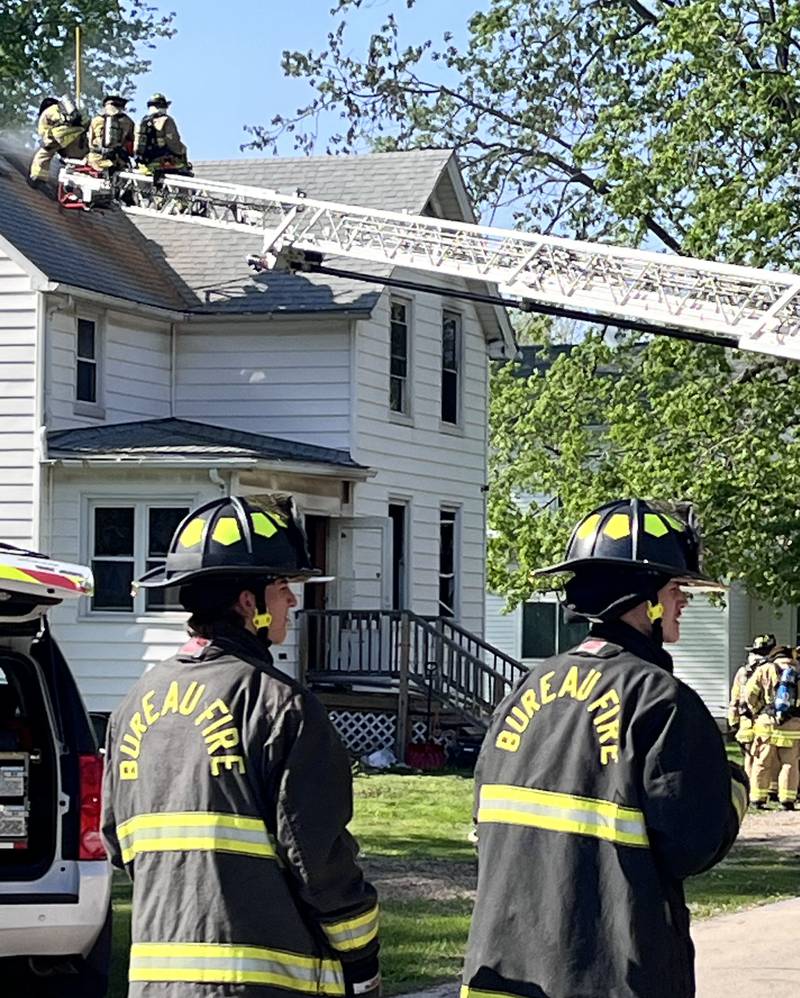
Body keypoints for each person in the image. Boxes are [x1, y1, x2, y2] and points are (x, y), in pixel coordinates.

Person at [461, 498, 747, 998]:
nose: (685, 601)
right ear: (644, 599)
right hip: (610, 981)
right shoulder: (661, 700)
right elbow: (693, 844)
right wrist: (733, 791)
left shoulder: (526, 690)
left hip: (503, 977)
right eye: (677, 588)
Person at [101, 495, 380, 998]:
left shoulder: (132, 707)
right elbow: (317, 858)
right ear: (247, 603)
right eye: (281, 588)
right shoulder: (282, 707)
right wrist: (362, 957)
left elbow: (118, 843)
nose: (293, 602)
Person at [745, 645, 800, 810]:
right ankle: (787, 799)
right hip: (793, 726)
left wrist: (756, 711)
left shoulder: (765, 669)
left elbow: (749, 693)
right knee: (790, 764)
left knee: (762, 762)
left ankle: (758, 798)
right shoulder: (798, 670)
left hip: (766, 724)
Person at [728, 633, 775, 779]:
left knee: (749, 756)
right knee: (766, 759)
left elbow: (735, 699)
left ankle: (750, 787)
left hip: (746, 722)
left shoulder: (743, 671)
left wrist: (733, 721)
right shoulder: (773, 669)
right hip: (767, 722)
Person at [28, 95, 88, 186]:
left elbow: (43, 132)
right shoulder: (65, 109)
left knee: (43, 154)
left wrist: (45, 142)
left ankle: (38, 177)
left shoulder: (49, 110)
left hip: (61, 135)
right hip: (78, 138)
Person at [134, 92, 191, 175]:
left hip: (147, 164)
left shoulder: (141, 122)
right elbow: (173, 143)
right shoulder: (167, 120)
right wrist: (182, 151)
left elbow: (136, 148)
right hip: (165, 163)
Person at [85, 94, 134, 173]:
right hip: (118, 163)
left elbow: (90, 142)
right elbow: (132, 144)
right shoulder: (128, 122)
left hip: (96, 161)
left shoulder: (95, 120)